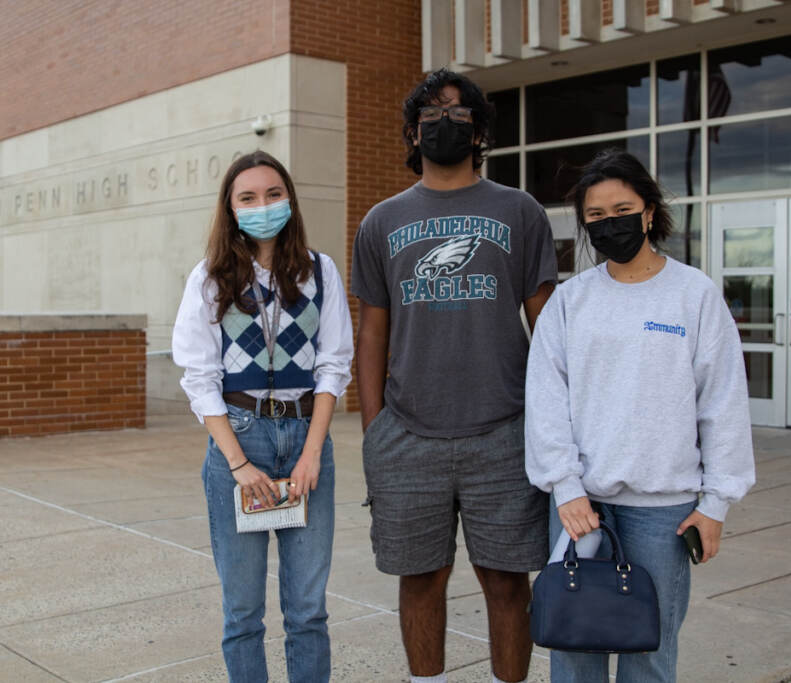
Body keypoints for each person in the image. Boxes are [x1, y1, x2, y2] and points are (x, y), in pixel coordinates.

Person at [351, 68, 557, 683]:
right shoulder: (381, 222)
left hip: (505, 432)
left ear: (479, 130)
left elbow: (548, 330)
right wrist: (375, 432)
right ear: (414, 133)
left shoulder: (519, 211)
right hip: (409, 434)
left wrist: (553, 423)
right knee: (421, 578)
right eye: (432, 114)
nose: (446, 122)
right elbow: (371, 335)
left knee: (505, 581)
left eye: (459, 112)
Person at [525, 149, 756, 682]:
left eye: (623, 209)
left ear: (650, 211)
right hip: (583, 507)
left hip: (664, 512)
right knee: (574, 647)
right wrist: (565, 487)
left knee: (650, 654)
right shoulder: (570, 300)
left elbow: (722, 403)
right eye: (596, 216)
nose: (612, 224)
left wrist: (717, 502)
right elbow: (545, 400)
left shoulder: (693, 295)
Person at [171, 150, 353, 683]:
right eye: (247, 198)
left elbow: (333, 365)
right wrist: (238, 465)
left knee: (307, 611)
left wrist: (312, 452)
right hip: (240, 437)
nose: (263, 206)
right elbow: (199, 378)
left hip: (305, 437)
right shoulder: (210, 278)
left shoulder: (320, 271)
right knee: (243, 613)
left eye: (273, 194)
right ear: (230, 209)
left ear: (290, 199)